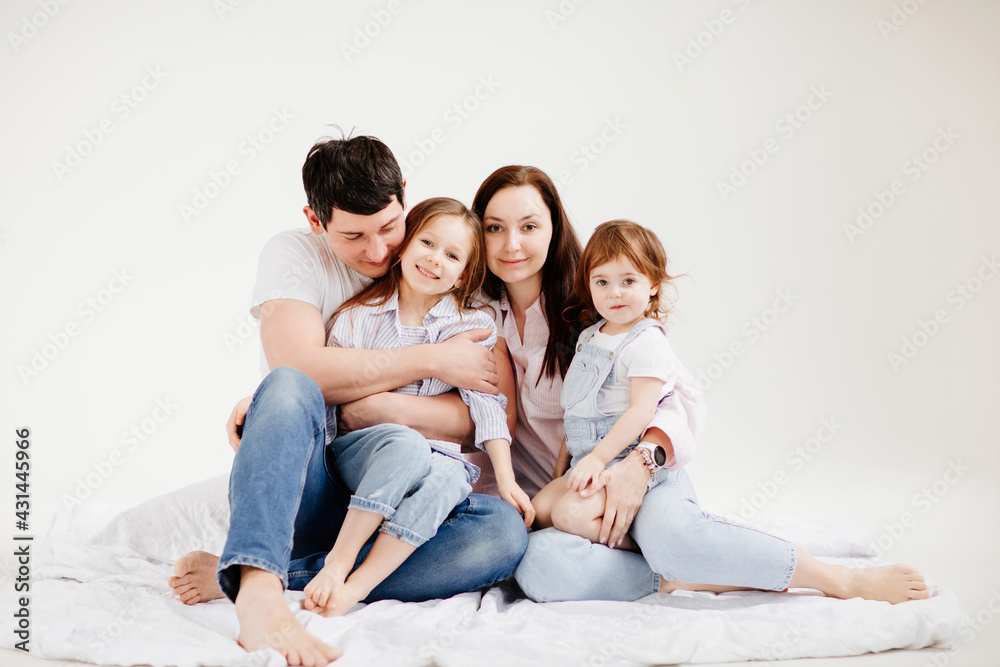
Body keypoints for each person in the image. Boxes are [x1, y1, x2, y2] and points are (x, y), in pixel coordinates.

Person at [354, 164, 929, 605]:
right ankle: (693, 572)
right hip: (560, 502)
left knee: (673, 533)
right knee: (541, 572)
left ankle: (839, 580)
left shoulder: (598, 306)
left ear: (555, 230)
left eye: (530, 226)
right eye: (495, 229)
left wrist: (640, 464)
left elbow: (678, 399)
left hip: (635, 472)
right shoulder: (472, 316)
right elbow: (463, 404)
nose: (512, 245)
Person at [168, 136, 527, 667]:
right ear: (316, 221)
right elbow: (302, 369)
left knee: (501, 533)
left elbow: (489, 416)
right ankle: (260, 592)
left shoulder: (458, 294)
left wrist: (386, 410)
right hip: (323, 483)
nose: (380, 251)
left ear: (404, 197)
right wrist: (433, 361)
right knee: (287, 386)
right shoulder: (298, 259)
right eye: (354, 236)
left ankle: (285, 574)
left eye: (389, 227)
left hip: (410, 493)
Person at [303, 197, 533, 617]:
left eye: (452, 255)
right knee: (406, 446)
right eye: (427, 243)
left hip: (430, 464)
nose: (434, 260)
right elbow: (327, 397)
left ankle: (356, 586)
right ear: (405, 244)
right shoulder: (358, 316)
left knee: (452, 478)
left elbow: (487, 404)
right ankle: (337, 560)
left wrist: (506, 478)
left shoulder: (470, 327)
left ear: (464, 273)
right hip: (362, 459)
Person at [531, 220, 684, 551]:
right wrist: (565, 462)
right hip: (583, 456)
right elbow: (578, 406)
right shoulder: (589, 336)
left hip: (620, 458)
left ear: (653, 283)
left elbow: (642, 411)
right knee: (539, 513)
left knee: (568, 516)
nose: (614, 292)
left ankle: (645, 553)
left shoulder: (646, 342)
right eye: (602, 282)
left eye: (628, 280)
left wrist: (599, 459)